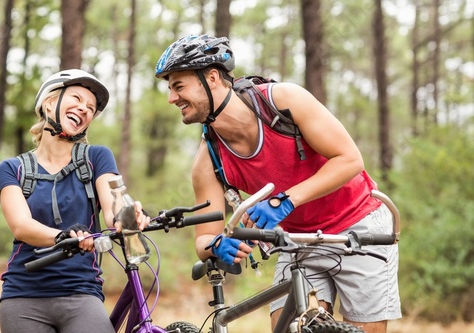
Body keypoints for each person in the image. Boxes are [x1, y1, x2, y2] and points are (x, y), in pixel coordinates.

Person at [154, 34, 401, 333]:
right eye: (170, 89)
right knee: (288, 326)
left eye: (178, 86)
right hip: (297, 240)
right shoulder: (208, 161)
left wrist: (285, 200)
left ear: (213, 78)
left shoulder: (282, 101)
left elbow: (349, 160)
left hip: (358, 224)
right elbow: (203, 240)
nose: (171, 98)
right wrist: (218, 245)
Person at [0, 69, 150, 333]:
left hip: (81, 291)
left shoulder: (96, 157)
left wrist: (128, 215)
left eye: (90, 107)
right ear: (49, 103)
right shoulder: (12, 168)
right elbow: (21, 226)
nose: (84, 109)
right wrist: (63, 237)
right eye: (76, 98)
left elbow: (114, 204)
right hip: (23, 294)